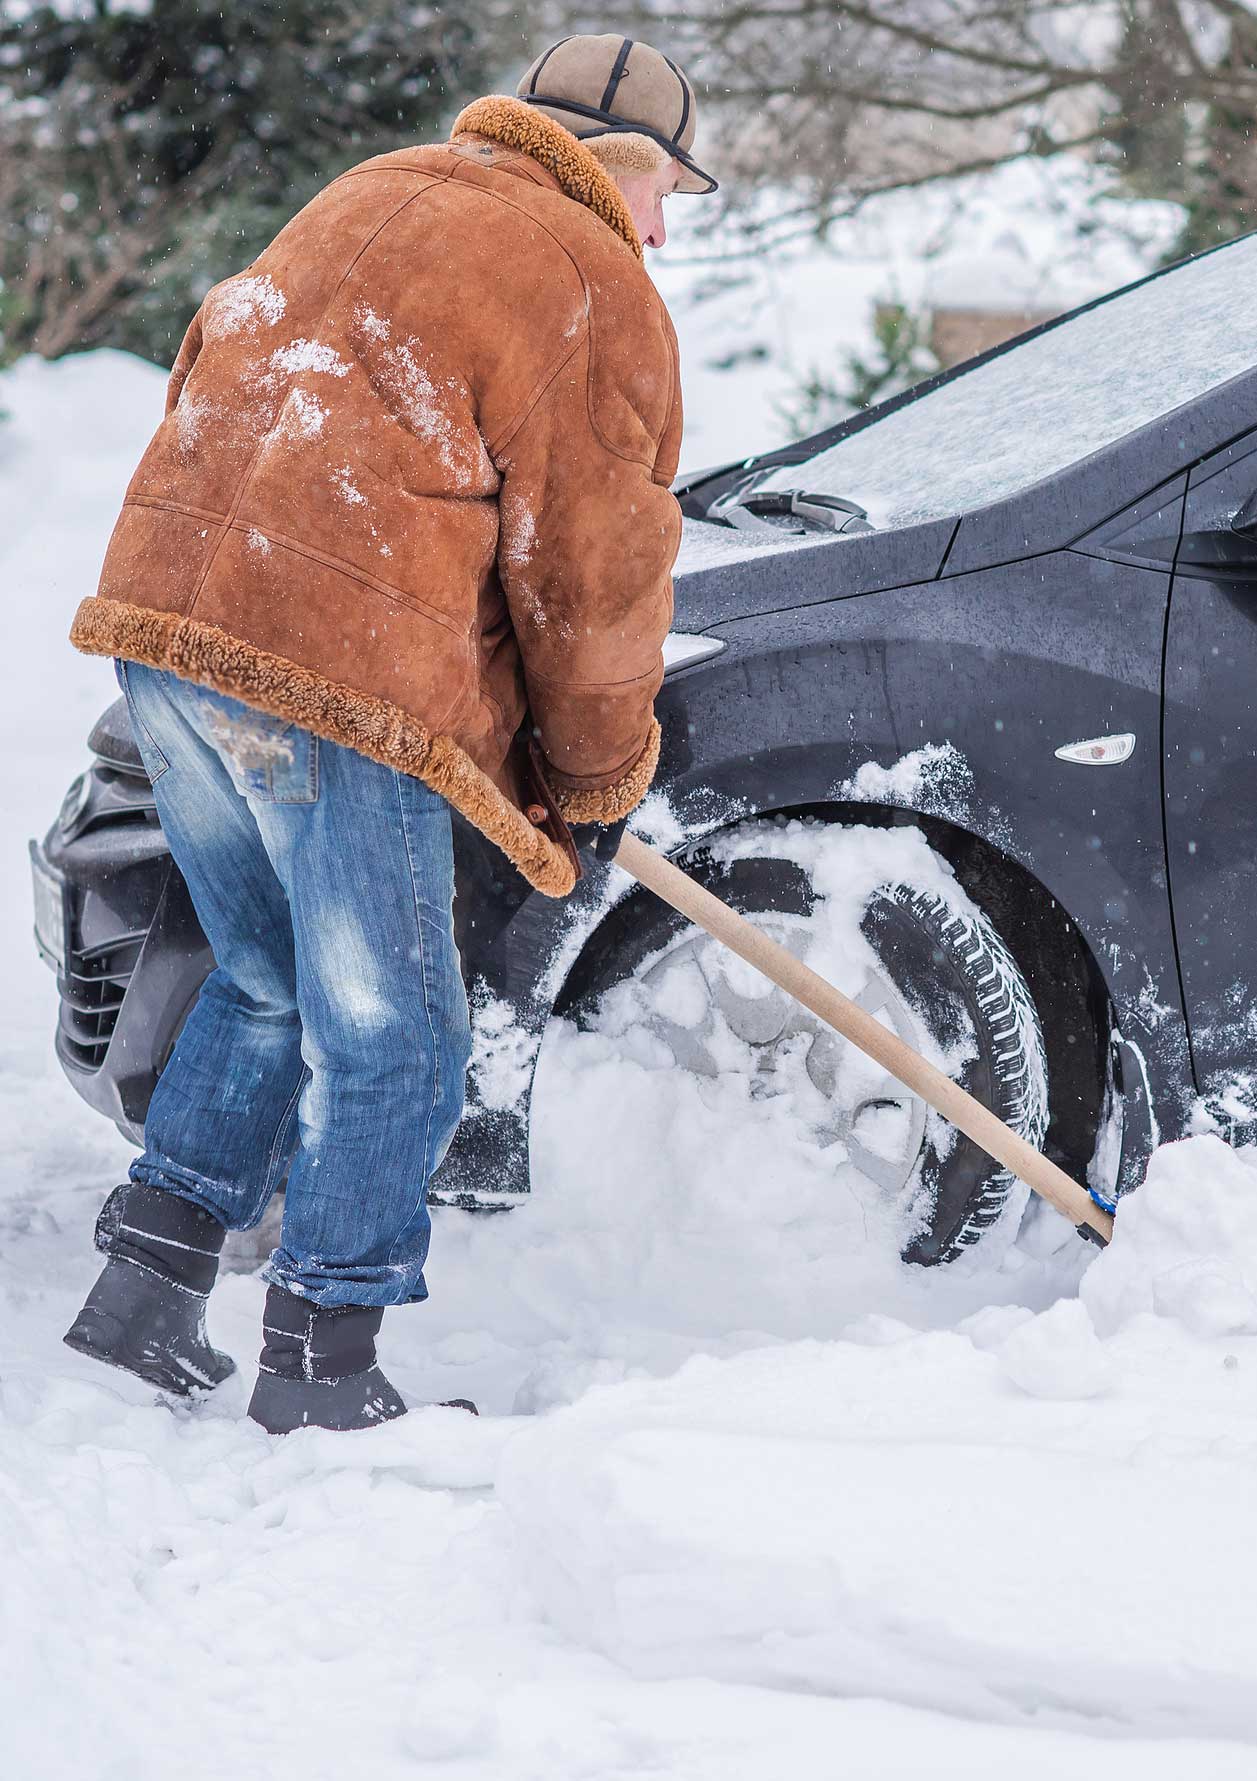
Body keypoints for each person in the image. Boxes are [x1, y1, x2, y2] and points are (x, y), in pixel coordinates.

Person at [61, 34, 714, 1432]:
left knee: (264, 972)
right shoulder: (593, 278)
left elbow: (211, 369)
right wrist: (595, 778)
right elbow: (592, 573)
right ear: (626, 169)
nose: (663, 229)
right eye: (668, 193)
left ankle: (143, 1295)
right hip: (333, 672)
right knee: (396, 1028)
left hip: (168, 638)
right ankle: (323, 1368)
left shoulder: (378, 189)